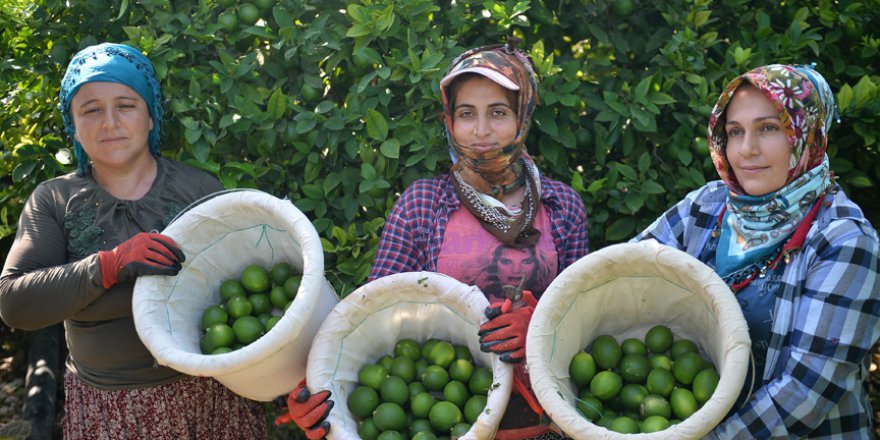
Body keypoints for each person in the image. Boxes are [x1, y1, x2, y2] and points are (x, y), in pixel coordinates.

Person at [278, 40, 589, 439]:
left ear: (523, 116)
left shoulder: (561, 205)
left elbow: (583, 319)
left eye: (498, 112)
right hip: (440, 423)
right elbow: (371, 319)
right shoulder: (423, 203)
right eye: (466, 114)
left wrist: (541, 325)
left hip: (544, 428)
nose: (481, 131)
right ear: (449, 120)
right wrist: (321, 393)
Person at [0, 43, 266, 439]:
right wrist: (109, 265)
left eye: (126, 105)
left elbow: (248, 289)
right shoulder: (54, 201)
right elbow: (15, 303)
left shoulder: (199, 190)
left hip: (212, 401)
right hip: (111, 412)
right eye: (91, 109)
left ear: (151, 117)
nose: (109, 122)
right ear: (73, 125)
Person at [632, 63, 880, 438]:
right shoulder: (708, 206)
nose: (747, 150)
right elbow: (624, 272)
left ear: (807, 135)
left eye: (769, 128)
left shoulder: (844, 240)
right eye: (735, 132)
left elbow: (803, 393)